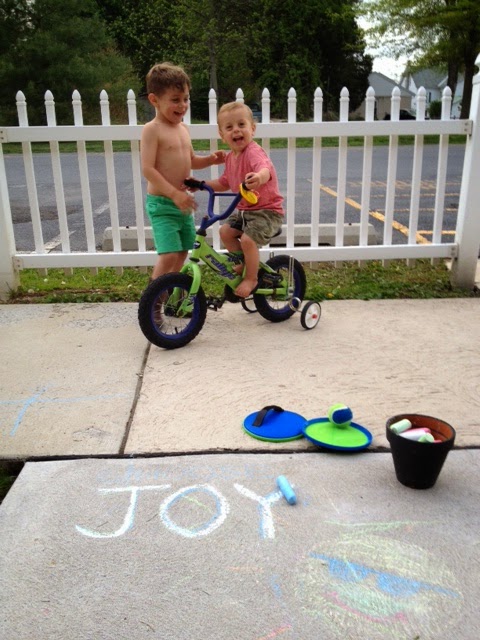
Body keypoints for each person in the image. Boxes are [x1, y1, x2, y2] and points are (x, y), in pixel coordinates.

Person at [141, 62, 225, 280]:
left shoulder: (183, 129)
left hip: (183, 203)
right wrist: (174, 194)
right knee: (169, 254)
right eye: (175, 100)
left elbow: (191, 161)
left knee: (182, 253)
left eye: (186, 99)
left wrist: (210, 160)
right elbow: (148, 169)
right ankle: (154, 296)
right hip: (163, 204)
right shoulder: (152, 130)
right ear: (154, 100)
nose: (183, 105)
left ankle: (171, 290)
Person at [205, 102, 284, 298]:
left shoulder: (253, 152)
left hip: (267, 212)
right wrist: (201, 184)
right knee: (225, 232)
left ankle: (251, 278)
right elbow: (224, 182)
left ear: (252, 129)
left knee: (248, 241)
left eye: (241, 124)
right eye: (229, 127)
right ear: (222, 135)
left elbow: (265, 168)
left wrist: (259, 177)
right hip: (245, 212)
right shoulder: (230, 158)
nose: (236, 130)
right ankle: (243, 264)